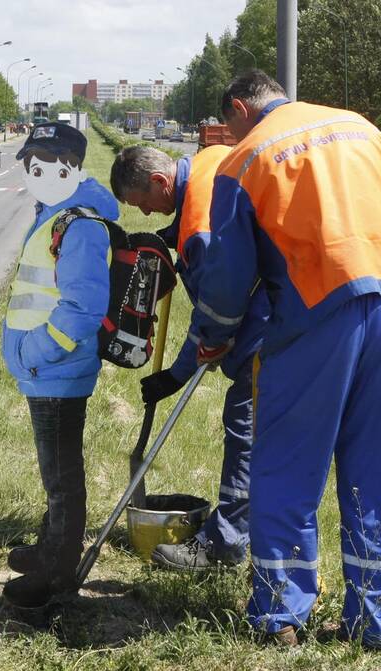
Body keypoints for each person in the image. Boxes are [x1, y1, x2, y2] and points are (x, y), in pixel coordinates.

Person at [193, 70, 381, 648]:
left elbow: (227, 276)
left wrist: (213, 335)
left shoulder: (243, 159)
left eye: (230, 120)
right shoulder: (364, 130)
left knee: (287, 462)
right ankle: (375, 623)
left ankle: (280, 615)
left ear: (241, 107)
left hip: (316, 311)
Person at [109, 144, 270, 572]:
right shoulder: (210, 158)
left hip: (268, 328)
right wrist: (172, 235)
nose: (144, 214)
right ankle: (259, 540)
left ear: (162, 182)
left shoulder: (197, 226)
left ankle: (225, 545)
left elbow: (215, 316)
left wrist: (177, 375)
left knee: (245, 431)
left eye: (142, 203)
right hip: (293, 305)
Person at [0, 122, 119, 609]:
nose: (36, 172)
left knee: (62, 475)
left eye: (46, 163)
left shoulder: (81, 223)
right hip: (45, 370)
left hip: (56, 369)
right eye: (31, 163)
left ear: (70, 166)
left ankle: (58, 573)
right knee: (55, 470)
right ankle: (50, 547)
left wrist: (36, 352)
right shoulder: (57, 212)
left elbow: (83, 307)